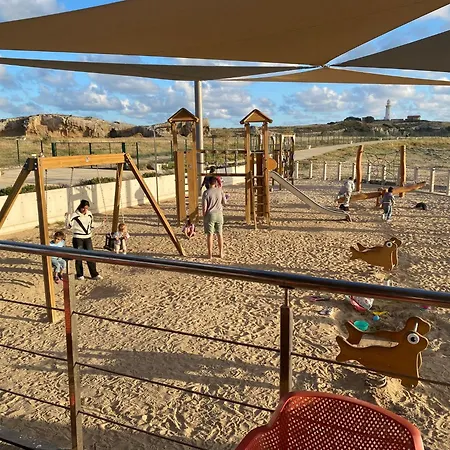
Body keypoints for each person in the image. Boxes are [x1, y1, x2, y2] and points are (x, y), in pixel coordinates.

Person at [67, 199, 102, 280]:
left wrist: (100, 223)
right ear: (80, 207)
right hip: (78, 238)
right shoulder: (74, 215)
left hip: (87, 237)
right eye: (83, 208)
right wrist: (67, 218)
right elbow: (68, 226)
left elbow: (92, 225)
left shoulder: (89, 214)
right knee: (79, 256)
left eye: (86, 208)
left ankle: (94, 274)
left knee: (91, 255)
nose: (85, 210)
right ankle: (80, 274)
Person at [202, 177, 227, 259]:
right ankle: (221, 253)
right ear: (215, 183)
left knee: (210, 235)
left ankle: (210, 254)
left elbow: (204, 208)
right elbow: (224, 203)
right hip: (219, 214)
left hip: (210, 214)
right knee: (220, 234)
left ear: (209, 183)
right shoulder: (220, 191)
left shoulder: (206, 193)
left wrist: (204, 217)